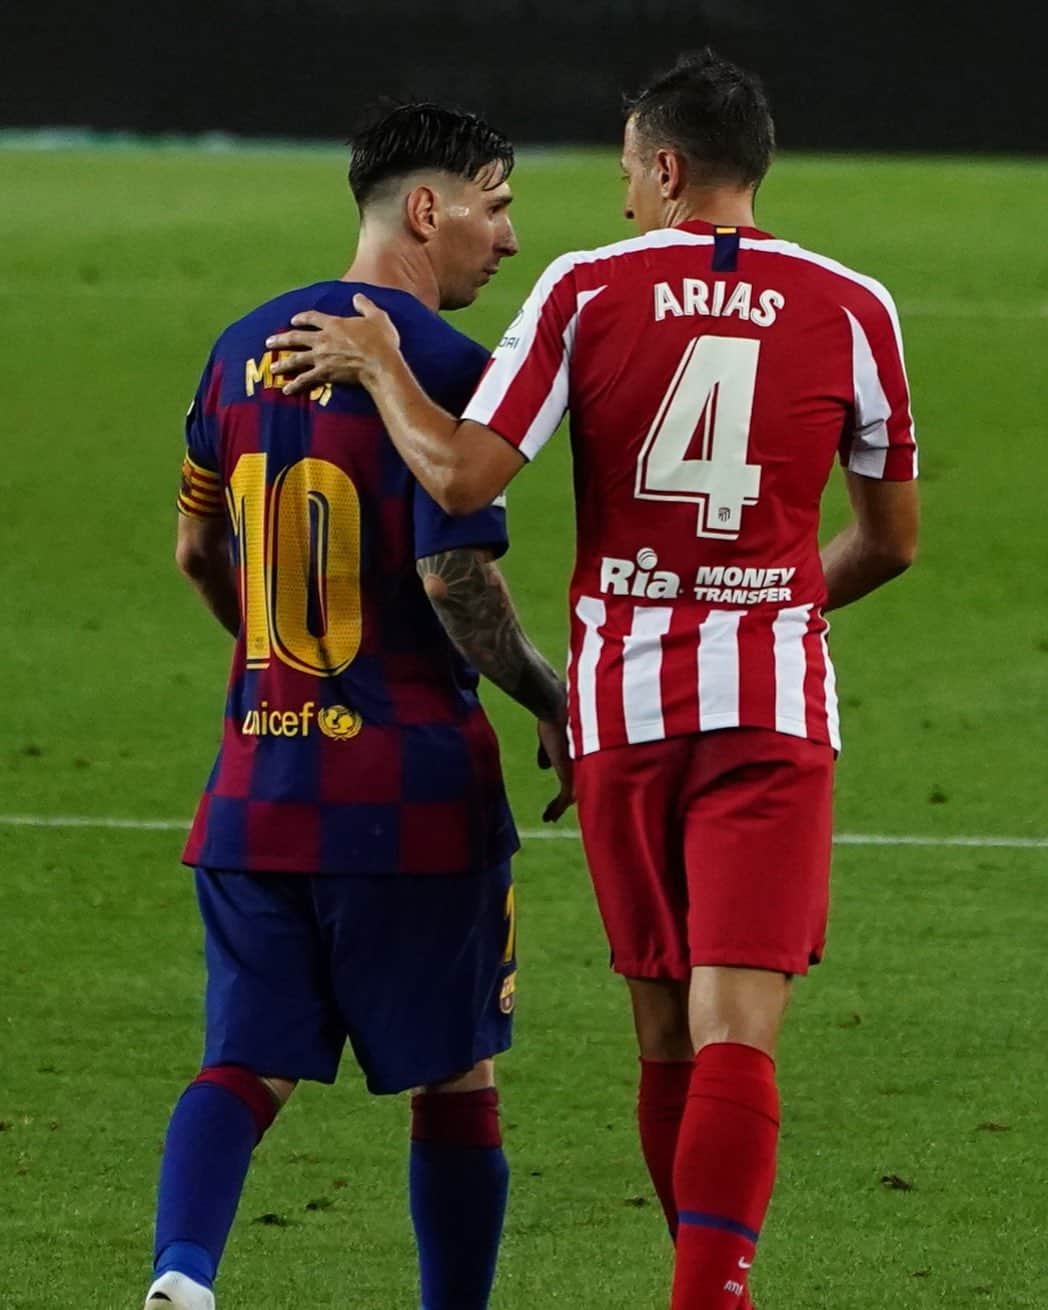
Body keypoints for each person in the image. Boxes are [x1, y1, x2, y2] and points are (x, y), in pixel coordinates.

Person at [266, 49, 920, 1309]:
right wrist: (772, 605)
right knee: (741, 1030)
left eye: (628, 170)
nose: (621, 195)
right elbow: (890, 539)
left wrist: (381, 365)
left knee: (668, 1034)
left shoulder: (586, 289)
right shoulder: (854, 304)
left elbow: (460, 479)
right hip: (769, 702)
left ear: (668, 168)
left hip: (620, 702)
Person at [148, 101, 571, 1310]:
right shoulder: (443, 369)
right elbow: (453, 574)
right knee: (454, 1082)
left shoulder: (234, 344)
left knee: (243, 1063)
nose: (507, 241)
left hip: (255, 787)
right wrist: (543, 691)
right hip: (412, 797)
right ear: (427, 209)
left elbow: (192, 549)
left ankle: (182, 1271)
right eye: (494, 208)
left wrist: (282, 661)